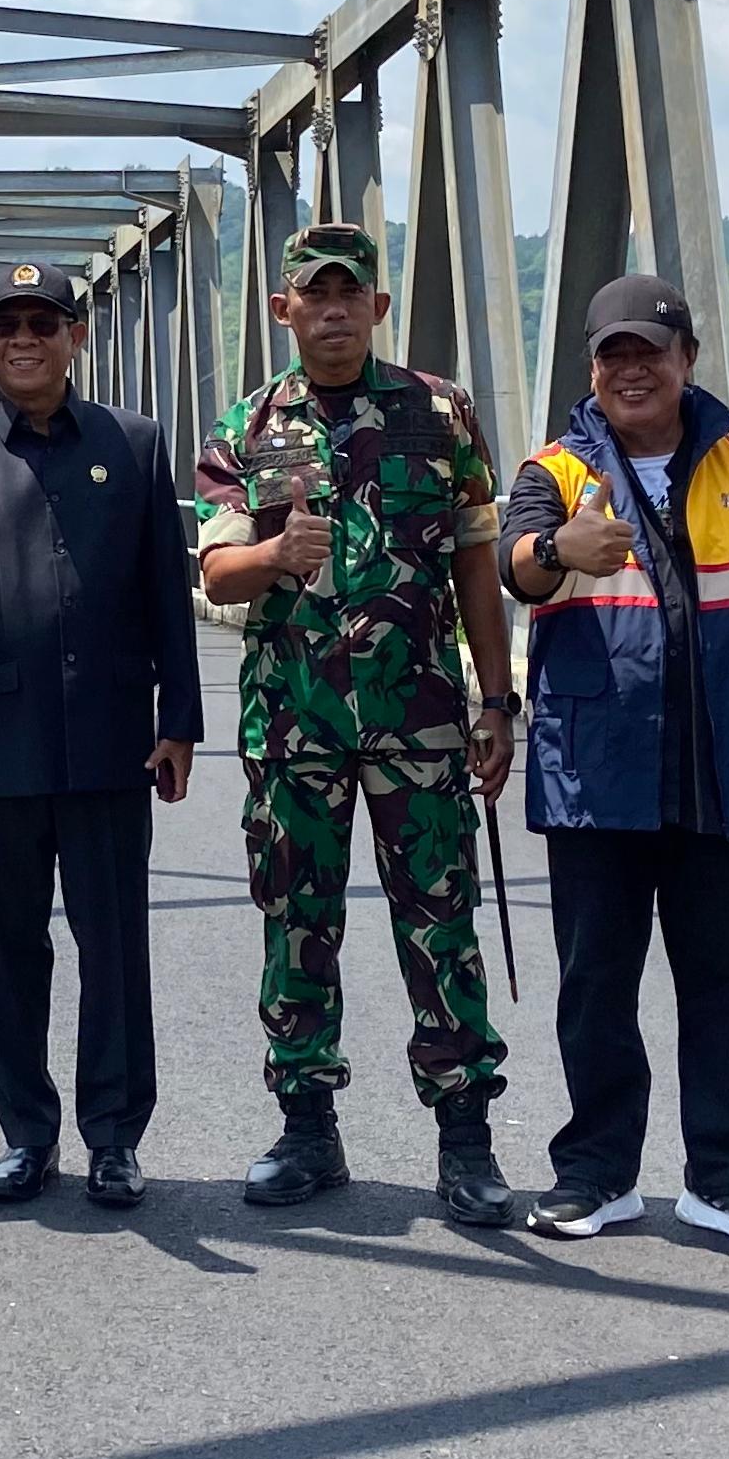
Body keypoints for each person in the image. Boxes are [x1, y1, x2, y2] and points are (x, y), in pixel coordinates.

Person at [498, 273, 729, 1252]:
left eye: (649, 350)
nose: (631, 368)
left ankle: (728, 1177)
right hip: (595, 771)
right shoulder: (555, 470)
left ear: (687, 359)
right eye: (612, 353)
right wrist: (559, 548)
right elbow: (510, 564)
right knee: (595, 981)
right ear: (591, 368)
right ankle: (595, 1173)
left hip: (723, 767)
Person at [193, 219, 524, 1228]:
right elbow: (211, 571)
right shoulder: (247, 425)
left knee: (439, 924)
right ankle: (305, 1126)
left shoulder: (439, 412)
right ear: (282, 308)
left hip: (418, 715)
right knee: (297, 920)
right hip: (291, 721)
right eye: (312, 293)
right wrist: (271, 556)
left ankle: (464, 1136)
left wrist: (495, 697)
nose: (331, 309)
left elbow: (476, 559)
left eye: (350, 293)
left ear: (377, 308)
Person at [0, 259, 202, 1208]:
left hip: (111, 734)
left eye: (45, 322)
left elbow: (164, 593)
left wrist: (178, 720)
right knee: (10, 946)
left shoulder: (134, 443)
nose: (26, 339)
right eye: (7, 325)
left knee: (115, 945)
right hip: (0, 741)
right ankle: (26, 1134)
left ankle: (114, 1137)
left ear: (76, 336)